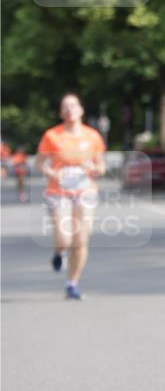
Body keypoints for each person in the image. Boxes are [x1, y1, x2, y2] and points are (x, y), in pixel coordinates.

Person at [36, 93, 106, 300]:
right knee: (65, 239)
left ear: (81, 110)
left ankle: (72, 284)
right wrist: (51, 173)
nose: (70, 110)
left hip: (85, 190)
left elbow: (101, 166)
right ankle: (59, 253)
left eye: (74, 106)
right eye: (65, 107)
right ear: (60, 112)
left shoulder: (92, 136)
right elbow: (39, 163)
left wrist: (94, 168)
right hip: (59, 191)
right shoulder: (52, 135)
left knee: (81, 240)